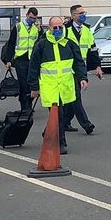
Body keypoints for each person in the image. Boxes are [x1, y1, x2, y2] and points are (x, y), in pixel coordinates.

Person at [29, 17, 88, 154]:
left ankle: (47, 133)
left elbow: (78, 63)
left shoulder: (69, 44)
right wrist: (34, 87)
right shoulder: (42, 45)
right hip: (50, 87)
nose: (58, 30)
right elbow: (33, 67)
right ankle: (61, 142)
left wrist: (82, 78)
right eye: (54, 28)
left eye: (60, 27)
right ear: (49, 28)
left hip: (66, 86)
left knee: (60, 114)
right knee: (58, 114)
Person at [62, 4, 103, 134]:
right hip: (67, 70)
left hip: (80, 69)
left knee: (71, 99)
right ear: (73, 15)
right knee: (75, 96)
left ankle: (64, 122)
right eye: (80, 13)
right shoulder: (65, 30)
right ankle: (86, 124)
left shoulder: (87, 30)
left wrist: (97, 66)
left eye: (84, 12)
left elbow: (93, 49)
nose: (83, 15)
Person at [0, 7, 43, 111]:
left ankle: (28, 103)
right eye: (31, 17)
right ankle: (25, 107)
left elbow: (41, 42)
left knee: (33, 83)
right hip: (20, 59)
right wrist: (8, 60)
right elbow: (11, 44)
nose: (32, 20)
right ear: (27, 15)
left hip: (33, 59)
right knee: (23, 84)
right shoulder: (18, 27)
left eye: (35, 18)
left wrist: (40, 30)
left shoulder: (36, 28)